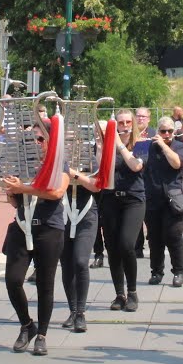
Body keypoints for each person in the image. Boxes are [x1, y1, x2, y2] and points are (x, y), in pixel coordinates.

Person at [2, 120, 69, 356]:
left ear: (49, 142)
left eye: (40, 139)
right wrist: (11, 192)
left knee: (45, 284)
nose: (35, 144)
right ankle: (27, 325)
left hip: (49, 229)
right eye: (30, 140)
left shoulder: (59, 163)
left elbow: (57, 193)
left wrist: (24, 189)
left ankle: (42, 334)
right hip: (22, 227)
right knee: (12, 280)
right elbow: (14, 201)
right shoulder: (22, 166)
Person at [100, 108, 148, 311]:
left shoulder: (142, 144)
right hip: (110, 198)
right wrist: (102, 140)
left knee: (127, 243)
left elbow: (135, 166)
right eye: (121, 123)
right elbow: (98, 167)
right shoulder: (106, 145)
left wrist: (118, 144)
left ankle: (133, 292)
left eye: (128, 122)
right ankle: (119, 293)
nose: (125, 126)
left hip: (133, 199)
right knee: (112, 247)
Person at [62, 129, 103, 334]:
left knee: (80, 261)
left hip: (86, 214)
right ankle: (72, 309)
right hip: (62, 214)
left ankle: (81, 312)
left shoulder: (90, 161)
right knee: (67, 265)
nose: (70, 145)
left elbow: (97, 186)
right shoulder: (57, 160)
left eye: (72, 140)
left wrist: (75, 175)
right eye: (66, 141)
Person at [144, 116, 183, 287]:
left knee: (173, 236)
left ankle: (178, 271)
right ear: (158, 131)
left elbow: (176, 163)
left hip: (174, 200)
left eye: (170, 131)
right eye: (163, 131)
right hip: (153, 199)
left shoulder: (179, 146)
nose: (167, 134)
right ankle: (156, 271)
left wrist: (162, 145)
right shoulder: (149, 147)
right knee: (154, 238)